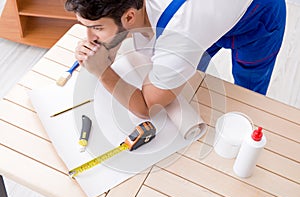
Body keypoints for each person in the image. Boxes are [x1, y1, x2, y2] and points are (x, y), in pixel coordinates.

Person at [65, 0, 286, 119]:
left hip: (257, 15)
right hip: (204, 13)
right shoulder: (132, 8)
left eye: (96, 28)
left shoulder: (179, 35)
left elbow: (148, 108)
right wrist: (111, 41)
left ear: (129, 16)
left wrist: (103, 71)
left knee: (250, 92)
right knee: (187, 83)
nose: (89, 38)